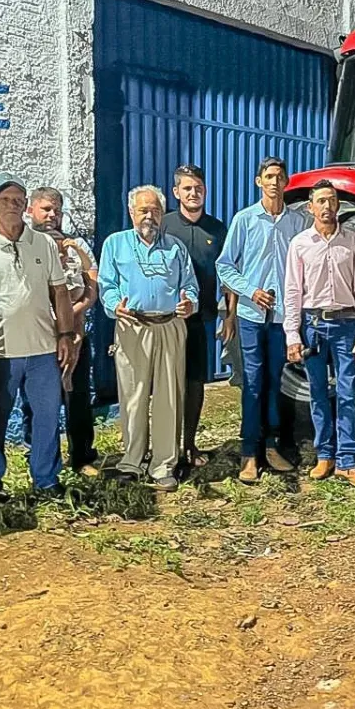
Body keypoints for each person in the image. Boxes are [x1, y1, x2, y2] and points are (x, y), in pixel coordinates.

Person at [0, 174, 76, 502]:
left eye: (18, 200)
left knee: (47, 417)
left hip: (42, 350)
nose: (12, 205)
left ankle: (46, 479)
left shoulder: (43, 245)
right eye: (5, 199)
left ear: (26, 206)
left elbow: (60, 293)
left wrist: (65, 335)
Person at [98, 185, 199, 492]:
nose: (149, 216)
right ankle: (131, 461)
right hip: (132, 326)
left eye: (155, 210)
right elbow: (107, 284)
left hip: (169, 326)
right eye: (143, 210)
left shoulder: (176, 248)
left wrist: (189, 302)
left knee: (169, 396)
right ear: (132, 212)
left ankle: (164, 464)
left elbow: (190, 285)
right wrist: (115, 303)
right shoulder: (115, 245)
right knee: (132, 395)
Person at [217, 157, 305, 482]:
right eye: (269, 176)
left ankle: (271, 446)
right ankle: (249, 454)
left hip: (282, 317)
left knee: (274, 381)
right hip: (252, 316)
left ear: (286, 183)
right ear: (258, 182)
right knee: (253, 383)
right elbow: (224, 265)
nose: (274, 182)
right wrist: (250, 291)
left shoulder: (297, 223)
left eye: (280, 177)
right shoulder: (245, 220)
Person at [284, 180, 355, 489]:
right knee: (319, 395)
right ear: (310, 207)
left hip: (346, 326)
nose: (327, 206)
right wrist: (292, 336)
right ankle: (325, 455)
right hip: (312, 327)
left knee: (348, 393)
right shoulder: (299, 244)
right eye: (321, 201)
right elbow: (293, 293)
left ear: (338, 206)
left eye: (332, 200)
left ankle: (348, 462)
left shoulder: (352, 242)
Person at [161, 164, 235, 472]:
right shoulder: (163, 225)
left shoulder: (217, 229)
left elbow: (228, 275)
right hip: (164, 320)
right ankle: (165, 448)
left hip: (199, 320)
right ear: (176, 192)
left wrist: (229, 316)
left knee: (194, 384)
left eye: (199, 188)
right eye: (187, 188)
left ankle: (189, 444)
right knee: (166, 384)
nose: (194, 193)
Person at [25, 186, 100, 477]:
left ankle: (82, 456)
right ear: (31, 210)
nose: (52, 215)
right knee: (37, 400)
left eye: (56, 209)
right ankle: (40, 456)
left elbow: (91, 291)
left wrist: (69, 318)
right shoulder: (27, 245)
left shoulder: (77, 244)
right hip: (38, 337)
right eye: (46, 209)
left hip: (75, 335)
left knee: (77, 396)